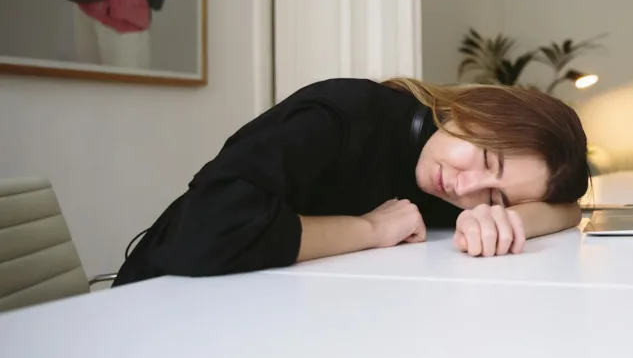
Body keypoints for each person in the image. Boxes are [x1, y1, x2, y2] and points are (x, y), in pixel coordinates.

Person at [111, 77, 591, 286]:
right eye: (486, 157)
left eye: (492, 193)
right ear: (478, 108)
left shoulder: (444, 172)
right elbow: (210, 229)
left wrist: (505, 218)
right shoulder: (341, 114)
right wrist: (368, 230)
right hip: (162, 299)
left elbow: (569, 208)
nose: (466, 189)